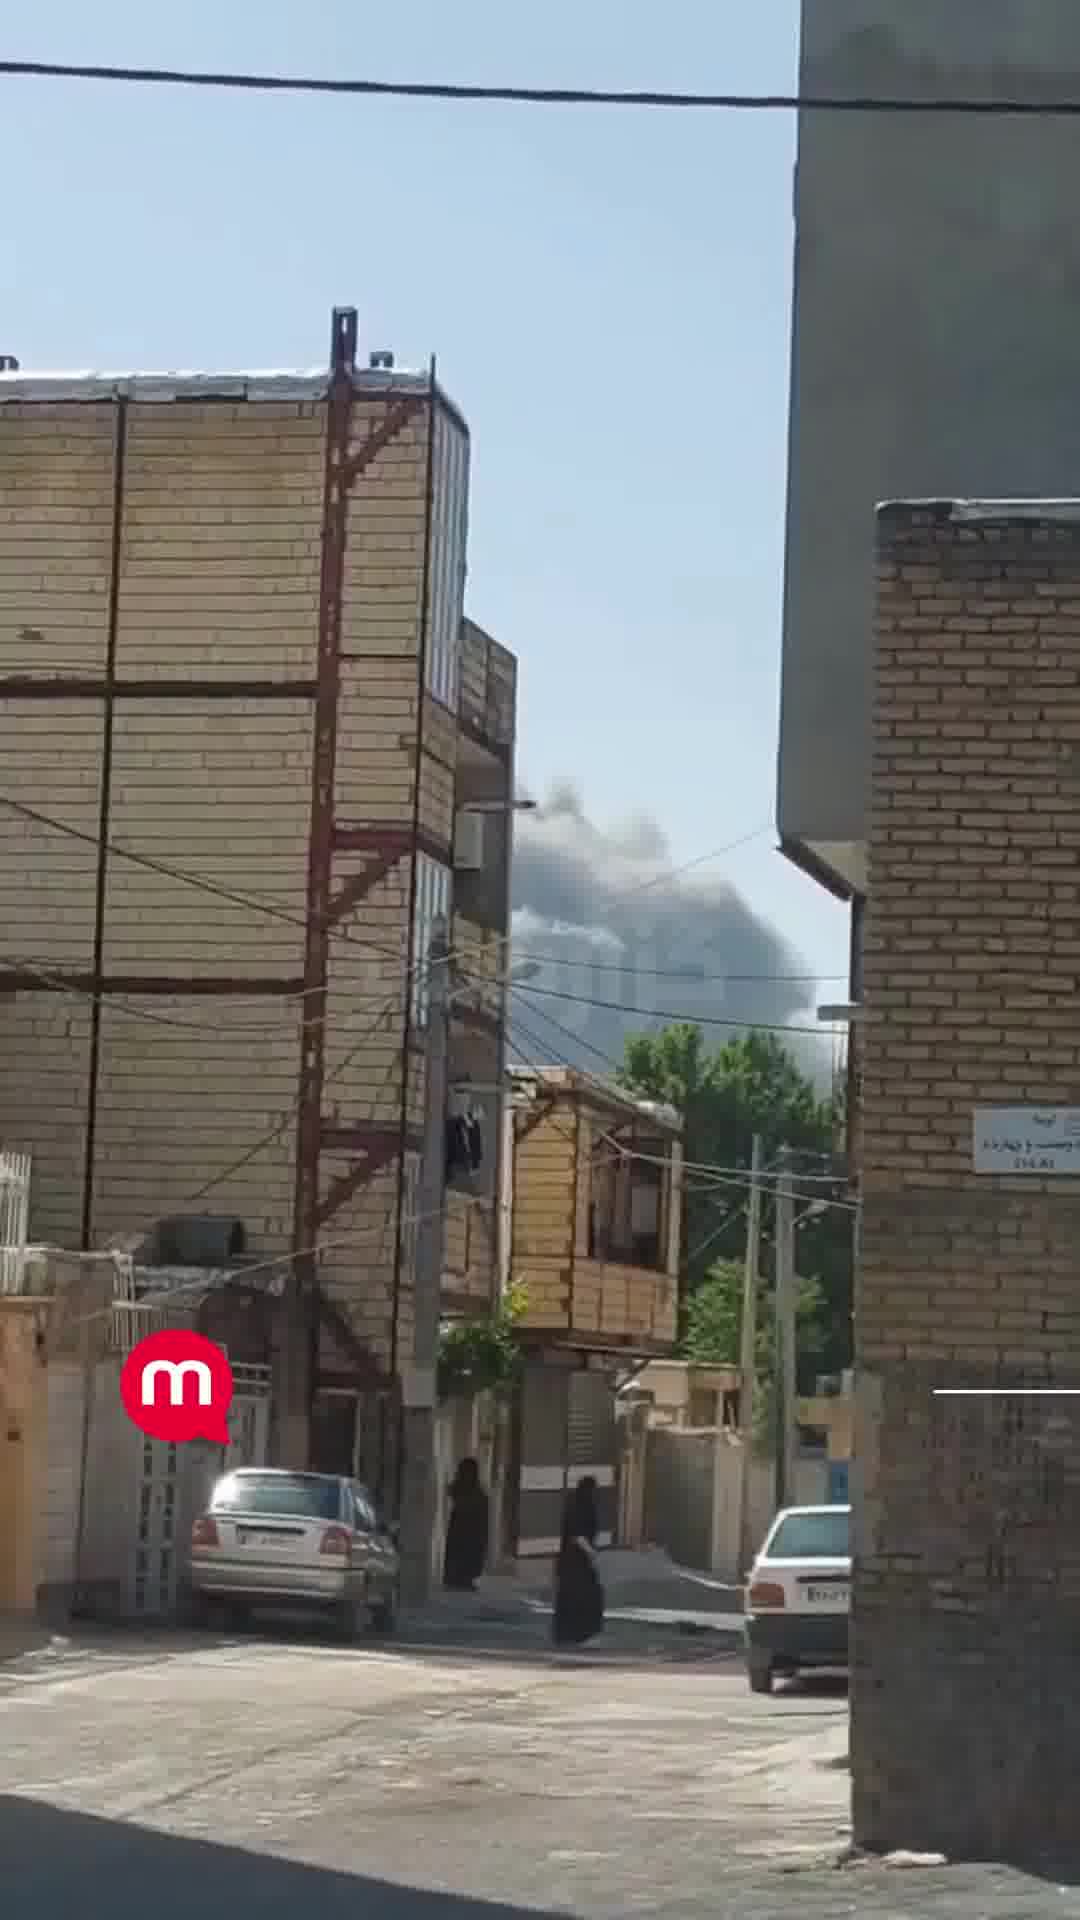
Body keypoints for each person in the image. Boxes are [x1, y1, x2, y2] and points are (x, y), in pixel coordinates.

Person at [552, 1475, 605, 1648]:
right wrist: (592, 1553)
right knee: (587, 1597)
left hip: (571, 1562)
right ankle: (584, 1634)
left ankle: (568, 1635)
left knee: (571, 1597)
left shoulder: (574, 1504)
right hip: (577, 1562)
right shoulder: (581, 1507)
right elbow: (578, 1535)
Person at [442, 1456, 490, 1591]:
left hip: (461, 1527)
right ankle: (463, 1579)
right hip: (471, 1529)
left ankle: (457, 1579)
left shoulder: (462, 1487)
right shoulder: (476, 1490)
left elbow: (452, 1493)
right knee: (468, 1552)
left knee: (459, 1552)